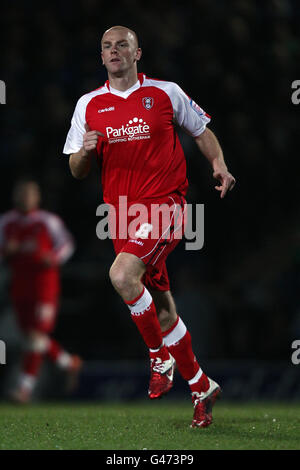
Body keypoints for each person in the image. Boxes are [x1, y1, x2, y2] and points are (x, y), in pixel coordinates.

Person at [63, 26, 236, 427]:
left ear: (137, 51)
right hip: (121, 217)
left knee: (122, 276)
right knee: (160, 310)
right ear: (101, 55)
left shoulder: (165, 92)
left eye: (121, 44)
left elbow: (201, 130)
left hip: (166, 205)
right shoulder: (88, 104)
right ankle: (201, 385)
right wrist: (85, 153)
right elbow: (75, 169)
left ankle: (158, 357)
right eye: (106, 46)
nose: (114, 51)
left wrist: (219, 165)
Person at [0, 180, 82, 403]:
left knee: (36, 336)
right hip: (19, 286)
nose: (25, 197)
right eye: (21, 193)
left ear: (37, 198)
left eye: (30, 194)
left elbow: (67, 244)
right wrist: (6, 252)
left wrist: (54, 258)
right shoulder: (7, 222)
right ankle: (69, 363)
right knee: (31, 337)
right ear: (15, 196)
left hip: (44, 286)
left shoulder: (47, 221)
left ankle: (24, 390)